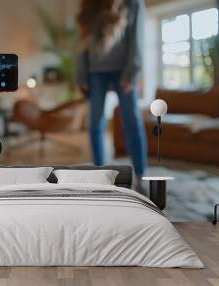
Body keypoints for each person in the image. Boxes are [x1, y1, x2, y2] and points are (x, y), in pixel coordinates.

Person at [76, 0, 147, 191]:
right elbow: (82, 43)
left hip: (123, 70)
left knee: (132, 122)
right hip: (95, 72)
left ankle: (140, 177)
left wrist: (132, 73)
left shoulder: (134, 4)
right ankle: (102, 178)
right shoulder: (89, 5)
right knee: (95, 124)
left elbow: (136, 39)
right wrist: (81, 75)